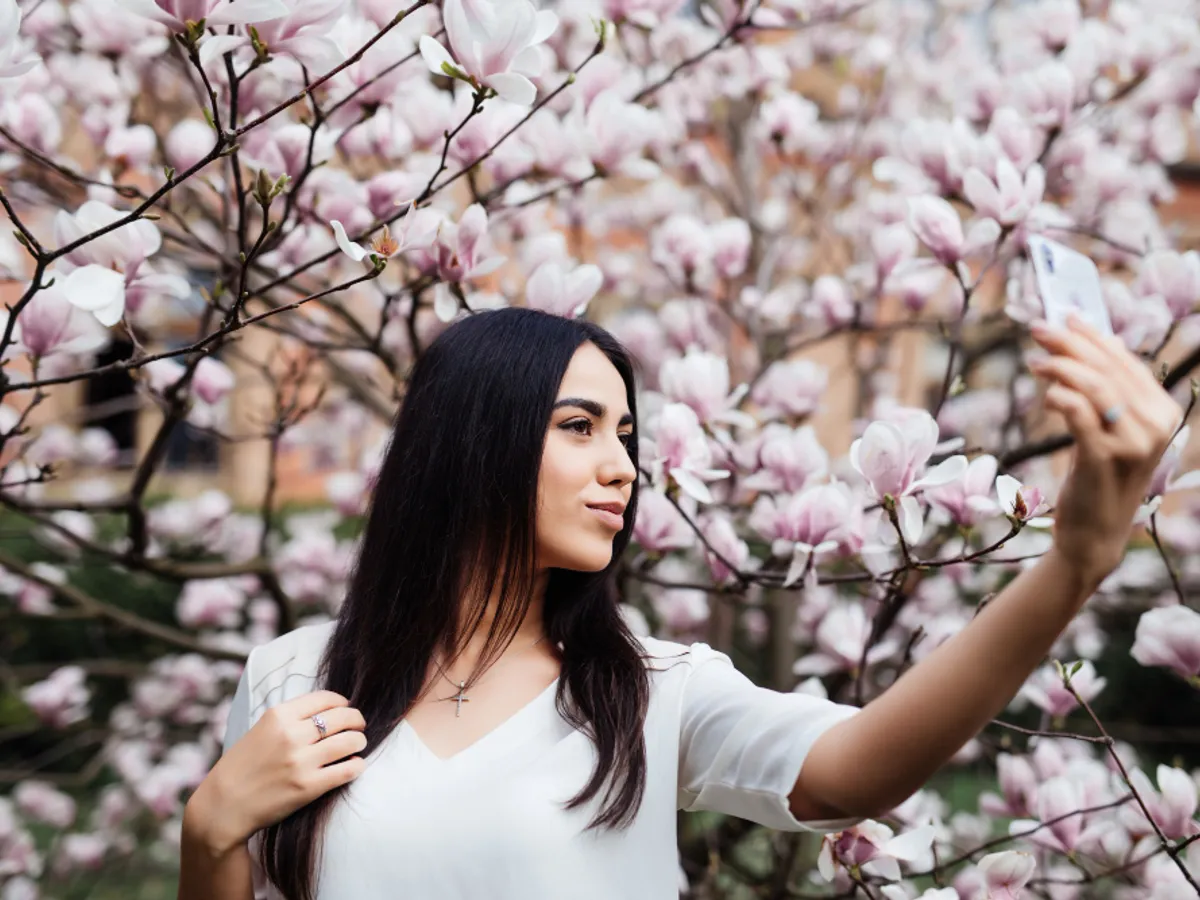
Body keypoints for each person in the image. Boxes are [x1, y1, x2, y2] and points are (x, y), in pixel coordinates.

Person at [178, 306, 1182, 900]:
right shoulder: (298, 679)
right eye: (580, 427)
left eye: (626, 433)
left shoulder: (649, 690)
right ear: (471, 440)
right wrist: (208, 829)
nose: (622, 465)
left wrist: (1072, 564)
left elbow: (858, 773)